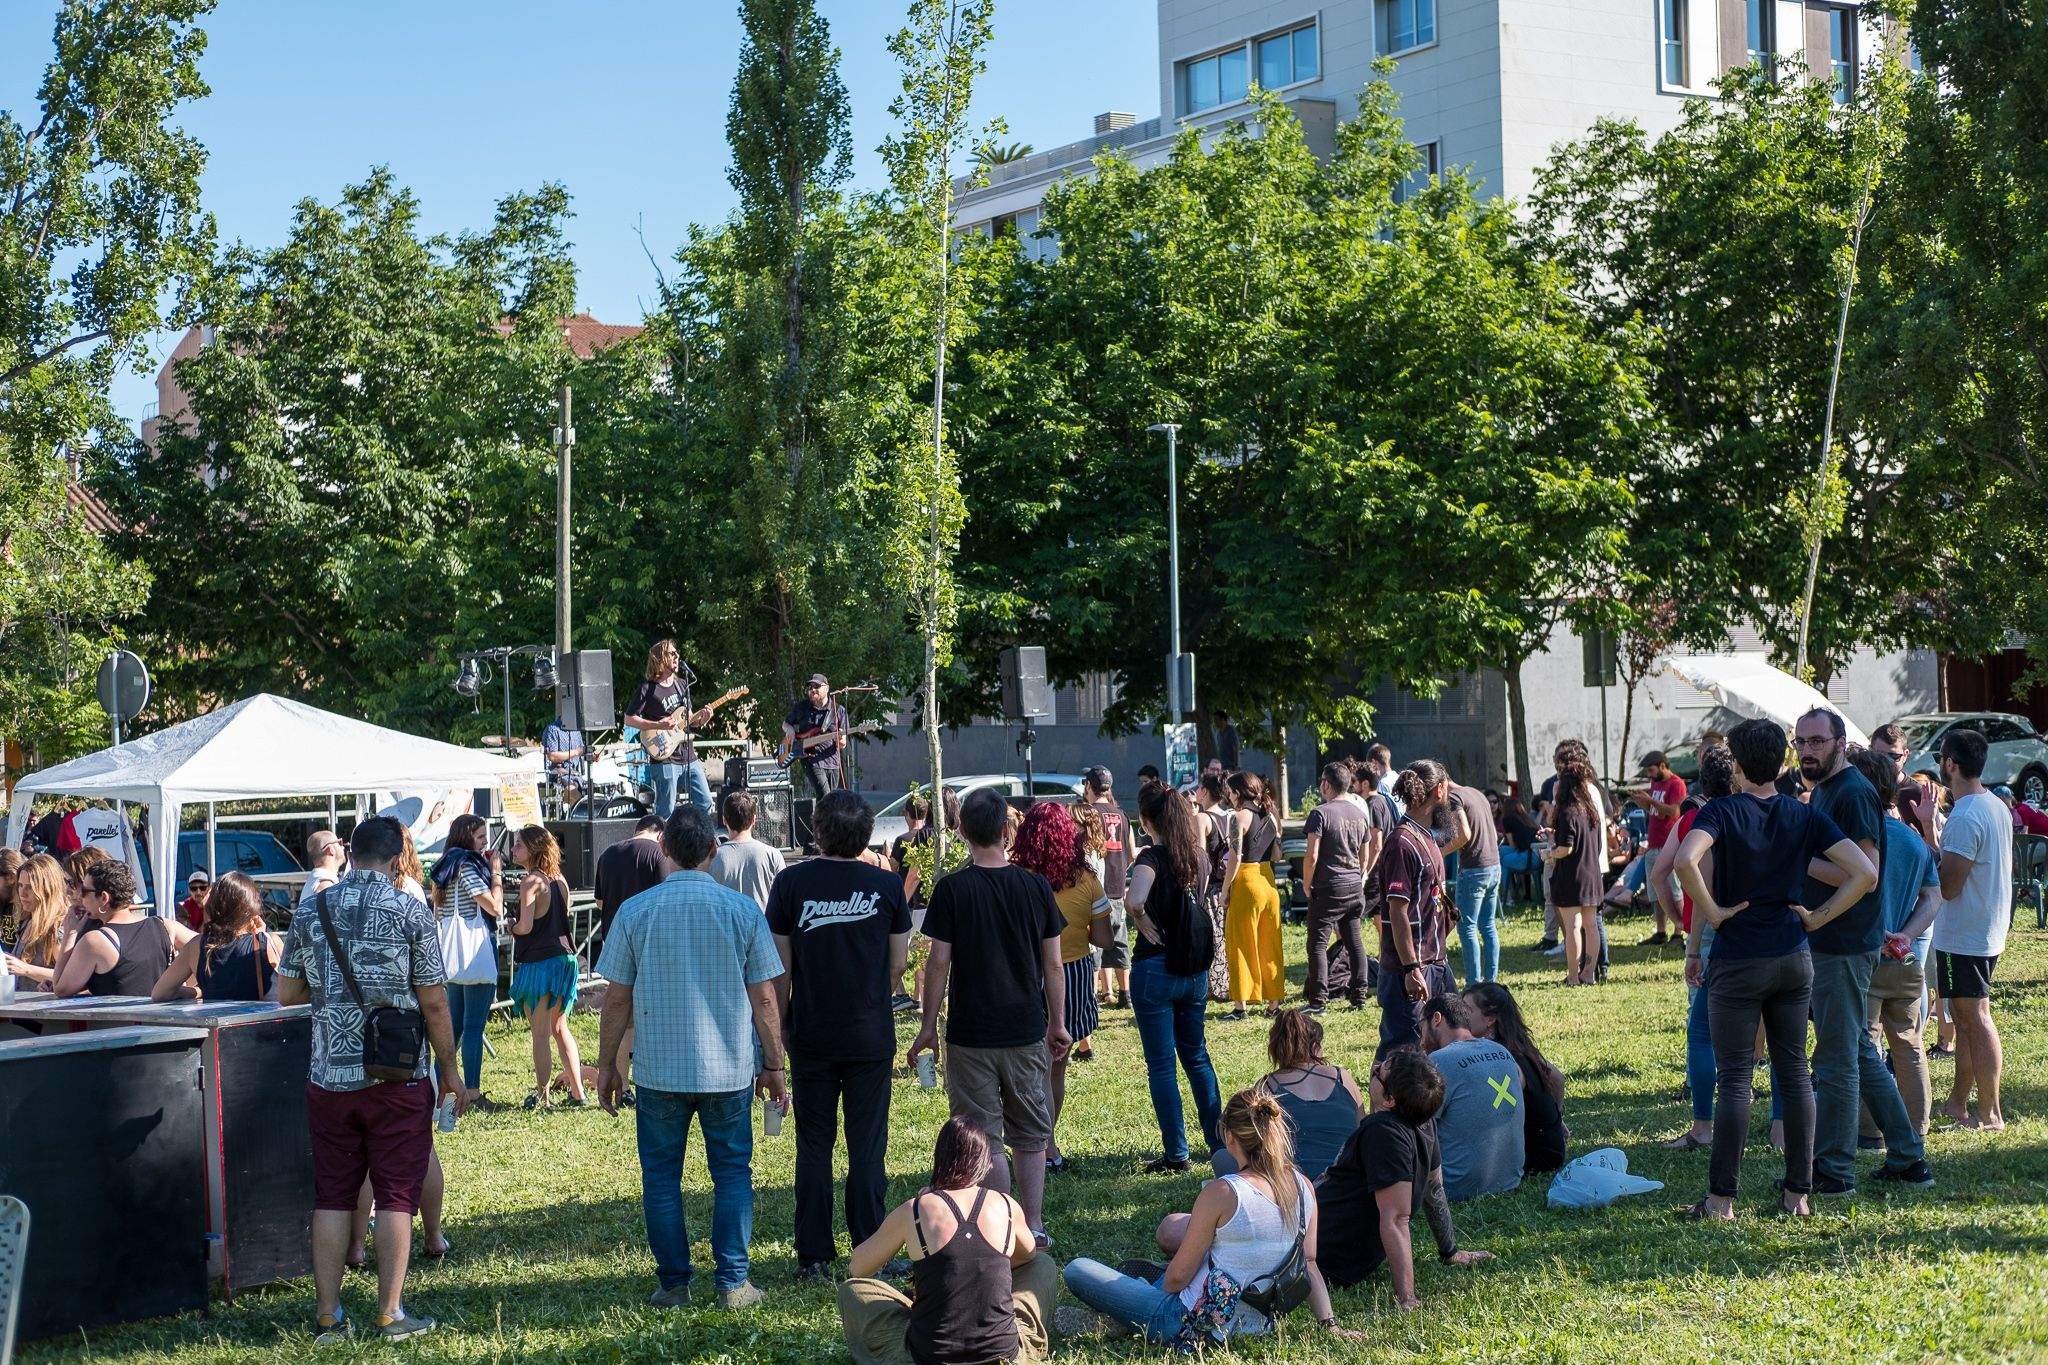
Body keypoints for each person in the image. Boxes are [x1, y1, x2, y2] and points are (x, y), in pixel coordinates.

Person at [1673, 716, 1877, 1220]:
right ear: (1782, 761)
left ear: (1737, 764)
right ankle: (1797, 1196)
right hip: (1793, 956)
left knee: (1737, 1077)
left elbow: (1683, 862)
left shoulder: (1720, 811)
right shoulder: (1801, 813)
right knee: (1795, 1073)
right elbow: (1866, 873)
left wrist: (1715, 913)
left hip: (1740, 957)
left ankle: (1721, 1200)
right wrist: (1819, 917)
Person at [275, 815, 464, 1343]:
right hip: (397, 1077)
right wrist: (449, 1071)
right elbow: (433, 998)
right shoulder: (410, 910)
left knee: (333, 1194)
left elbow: (286, 994)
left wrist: (333, 997)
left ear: (351, 853)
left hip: (329, 1075)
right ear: (398, 852)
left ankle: (329, 1316)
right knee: (397, 1194)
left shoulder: (312, 909)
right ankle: (390, 1313)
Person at [594, 805, 787, 1310]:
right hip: (728, 1069)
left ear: (663, 850)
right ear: (713, 849)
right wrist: (775, 1064)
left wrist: (609, 1062)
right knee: (732, 1173)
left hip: (659, 1069)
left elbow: (616, 997)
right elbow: (764, 998)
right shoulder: (742, 911)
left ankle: (674, 1284)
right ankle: (733, 1282)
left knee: (661, 1178)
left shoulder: (635, 911)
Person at [1061, 1088, 1351, 1347]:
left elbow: (1176, 1280)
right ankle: (1131, 1304)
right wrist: (1330, 1324)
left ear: (1229, 1135)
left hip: (1190, 1323)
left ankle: (1126, 1312)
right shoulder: (1304, 1186)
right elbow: (1309, 1263)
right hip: (1259, 1324)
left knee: (1076, 1269)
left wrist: (1145, 1298)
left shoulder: (1224, 1191)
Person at [907, 786, 1069, 1242]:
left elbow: (938, 964)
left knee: (984, 1133)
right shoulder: (1034, 885)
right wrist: (1057, 1022)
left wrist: (927, 1027)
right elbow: (1052, 963)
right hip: (1024, 1026)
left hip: (970, 1031)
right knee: (1031, 1132)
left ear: (961, 831)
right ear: (1006, 829)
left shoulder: (952, 889)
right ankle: (1033, 1225)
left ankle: (1002, 1226)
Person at [764, 790, 912, 1279]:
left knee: (814, 1144)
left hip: (811, 1031)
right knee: (868, 1145)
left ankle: (814, 1256)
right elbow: (898, 965)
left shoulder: (790, 884)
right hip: (870, 1031)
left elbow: (780, 969)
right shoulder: (887, 888)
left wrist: (782, 1020)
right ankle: (870, 1247)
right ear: (867, 835)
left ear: (817, 829)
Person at [1792, 707, 1922, 1196]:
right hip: (1830, 941)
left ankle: (1834, 1171)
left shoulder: (1853, 792)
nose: (1807, 750)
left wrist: (1799, 861)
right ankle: (1909, 1158)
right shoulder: (1825, 789)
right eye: (1801, 741)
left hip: (1845, 944)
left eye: (1818, 741)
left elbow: (1866, 873)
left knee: (1836, 1060)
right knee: (1859, 1052)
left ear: (1841, 742)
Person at [838, 1116, 1057, 1365]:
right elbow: (1028, 1256)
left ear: (939, 1158)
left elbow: (858, 1267)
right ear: (985, 1164)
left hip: (927, 1357)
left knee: (851, 1290)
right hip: (1004, 1356)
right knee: (1043, 1265)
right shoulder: (1006, 1205)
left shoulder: (917, 1209)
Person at [1654, 745, 1777, 1153]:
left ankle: (1705, 1127)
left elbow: (1678, 870)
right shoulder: (1783, 811)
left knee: (1703, 1031)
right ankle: (1780, 1129)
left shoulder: (1709, 816)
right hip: (1778, 934)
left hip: (1720, 932)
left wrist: (1690, 934)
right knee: (1780, 1038)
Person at [1314, 1047, 1491, 1300]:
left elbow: (1396, 1219)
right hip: (1325, 1241)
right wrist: (1450, 1251)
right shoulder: (1423, 1121)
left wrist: (1407, 1299)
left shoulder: (1384, 1133)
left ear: (1389, 1100)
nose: (1374, 1070)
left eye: (1379, 1072)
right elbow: (1434, 1188)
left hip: (1321, 1257)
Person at [1845, 746, 1940, 1172]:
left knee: (1865, 1045)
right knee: (1910, 1044)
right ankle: (1917, 1128)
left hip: (1865, 956)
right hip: (1904, 958)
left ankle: (1871, 1131)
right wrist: (1908, 933)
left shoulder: (1856, 839)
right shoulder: (1911, 839)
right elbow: (1933, 896)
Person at [1123, 780, 1224, 1175]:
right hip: (1193, 967)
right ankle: (1217, 1142)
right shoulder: (1198, 856)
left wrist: (1142, 919)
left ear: (1148, 821)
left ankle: (1176, 1151)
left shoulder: (1151, 857)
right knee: (1197, 1056)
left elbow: (1134, 899)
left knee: (1162, 1064)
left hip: (1156, 968)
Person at [1007, 802, 1109, 1176]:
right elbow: (1103, 938)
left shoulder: (1015, 877)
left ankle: (1035, 1142)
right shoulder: (1087, 878)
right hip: (1074, 974)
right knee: (1056, 1068)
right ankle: (1048, 1142)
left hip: (1026, 974)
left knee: (1030, 1064)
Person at [1930, 727, 2011, 1132]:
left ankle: (1990, 1113)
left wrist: (1928, 842)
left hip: (1965, 935)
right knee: (1965, 1019)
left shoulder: (1965, 815)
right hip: (1985, 930)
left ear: (1951, 764)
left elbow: (1949, 885)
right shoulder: (1993, 805)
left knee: (1975, 1017)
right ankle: (1958, 1104)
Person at [1368, 762, 1457, 1060]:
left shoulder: (1427, 837)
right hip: (1409, 969)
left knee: (1450, 1039)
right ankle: (1385, 1104)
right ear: (1439, 790)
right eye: (1448, 788)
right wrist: (1410, 968)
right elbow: (1397, 912)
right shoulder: (1401, 843)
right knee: (1401, 1051)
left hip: (1436, 962)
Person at [1213, 1009, 1361, 1181]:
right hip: (1350, 1184)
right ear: (1315, 1045)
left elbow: (1255, 1146)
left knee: (1222, 1158)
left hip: (1293, 1188)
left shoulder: (1267, 1087)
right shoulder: (1343, 1078)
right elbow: (1361, 1130)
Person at [508, 825, 586, 1109]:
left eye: (518, 844)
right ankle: (578, 1091)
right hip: (566, 959)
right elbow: (560, 917)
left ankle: (542, 1096)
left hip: (541, 963)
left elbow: (526, 926)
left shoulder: (531, 881)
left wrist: (511, 926)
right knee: (559, 1027)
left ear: (533, 849)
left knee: (540, 1033)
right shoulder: (560, 880)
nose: (513, 849)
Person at [1419, 993, 1524, 1200]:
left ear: (1436, 1019)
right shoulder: (1501, 1051)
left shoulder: (1439, 1060)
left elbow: (1418, 1126)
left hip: (1456, 1188)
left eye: (1420, 1026)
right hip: (1509, 1180)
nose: (1420, 1036)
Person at [430, 814, 503, 1111]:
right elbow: (493, 907)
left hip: (451, 958)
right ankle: (472, 1092)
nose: (485, 840)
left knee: (454, 1029)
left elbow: (438, 911)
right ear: (466, 836)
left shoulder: (445, 864)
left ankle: (440, 1092)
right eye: (480, 836)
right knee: (474, 1026)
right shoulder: (468, 865)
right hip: (474, 954)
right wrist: (496, 874)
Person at [1461, 981, 1567, 1173]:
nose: (1461, 1016)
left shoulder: (1496, 1056)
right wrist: (1557, 1122)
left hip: (1534, 1155)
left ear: (1490, 1019)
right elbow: (1558, 1078)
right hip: (1552, 1147)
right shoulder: (1518, 1045)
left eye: (1467, 1009)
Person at [53, 860, 193, 997]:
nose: (79, 896)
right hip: (165, 1019)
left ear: (103, 898)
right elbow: (206, 946)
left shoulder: (95, 941)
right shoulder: (165, 925)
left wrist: (70, 932)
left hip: (119, 1020)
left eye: (84, 891)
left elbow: (60, 988)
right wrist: (195, 989)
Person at [1301, 763, 1371, 1013]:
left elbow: (1312, 855)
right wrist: (1360, 875)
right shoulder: (1360, 814)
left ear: (1326, 784)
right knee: (1354, 942)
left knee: (1317, 944)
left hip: (1329, 886)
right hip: (1353, 886)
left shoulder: (1320, 813)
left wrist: (1307, 884)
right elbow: (1365, 855)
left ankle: (1318, 1001)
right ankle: (1359, 995)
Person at [152, 870, 280, 1002]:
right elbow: (290, 994)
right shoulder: (269, 942)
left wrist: (198, 991)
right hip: (258, 1022)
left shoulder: (196, 946)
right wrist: (261, 936)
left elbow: (160, 993)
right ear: (251, 907)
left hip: (214, 1022)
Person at [625, 639, 715, 819]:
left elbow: (689, 720)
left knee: (706, 802)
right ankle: (661, 846)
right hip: (664, 756)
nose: (677, 656)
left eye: (677, 652)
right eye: (672, 653)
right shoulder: (647, 688)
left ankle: (699, 843)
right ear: (660, 658)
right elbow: (629, 719)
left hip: (688, 755)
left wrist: (702, 719)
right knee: (666, 811)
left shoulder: (682, 684)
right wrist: (659, 725)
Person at [1223, 771, 1286, 1017]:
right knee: (1270, 944)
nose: (1227, 795)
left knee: (1240, 943)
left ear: (1238, 792)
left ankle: (1241, 1006)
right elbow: (1277, 855)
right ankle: (1274, 1004)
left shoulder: (1238, 817)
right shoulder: (1271, 815)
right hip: (1268, 882)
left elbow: (1235, 858)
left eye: (1230, 790)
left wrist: (1226, 889)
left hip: (1247, 882)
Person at [1543, 755, 1606, 988]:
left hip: (1572, 877)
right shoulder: (1591, 811)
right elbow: (1596, 844)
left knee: (1572, 928)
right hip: (1592, 873)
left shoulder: (1567, 811)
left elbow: (1566, 848)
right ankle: (1589, 973)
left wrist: (1549, 854)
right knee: (1591, 926)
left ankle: (1572, 977)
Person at [1082, 766, 1136, 1010]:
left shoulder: (1088, 814)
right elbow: (1132, 852)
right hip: (1117, 887)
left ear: (1088, 786)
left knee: (1094, 945)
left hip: (1095, 889)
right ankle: (1125, 993)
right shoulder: (1122, 815)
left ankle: (1092, 996)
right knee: (1120, 941)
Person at [1442, 779, 1502, 986]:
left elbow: (1464, 834)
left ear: (1442, 784)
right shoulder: (1477, 792)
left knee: (1467, 927)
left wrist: (1438, 852)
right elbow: (1493, 834)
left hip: (1474, 870)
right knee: (1488, 925)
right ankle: (1491, 980)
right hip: (1494, 866)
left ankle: (1474, 983)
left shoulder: (1453, 798)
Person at [1627, 752, 1688, 943]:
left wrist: (1651, 800)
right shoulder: (1656, 784)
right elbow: (1657, 812)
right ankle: (1661, 931)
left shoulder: (1676, 784)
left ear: (1662, 765)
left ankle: (1679, 931)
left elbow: (1674, 811)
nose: (1650, 774)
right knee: (1655, 891)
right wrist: (1643, 802)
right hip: (1653, 843)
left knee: (1673, 889)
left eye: (1651, 770)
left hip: (1669, 844)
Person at [1194, 774, 1237, 1001]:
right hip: (1229, 883)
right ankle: (1232, 981)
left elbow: (1200, 855)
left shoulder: (1202, 818)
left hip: (1210, 886)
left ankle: (1216, 985)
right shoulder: (1231, 816)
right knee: (1228, 934)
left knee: (1212, 937)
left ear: (1204, 791)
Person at [4, 853, 73, 991]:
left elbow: (70, 978)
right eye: (20, 885)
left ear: (47, 889)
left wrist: (25, 969)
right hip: (20, 1008)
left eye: (30, 887)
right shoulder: (28, 920)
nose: (22, 893)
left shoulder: (57, 926)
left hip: (44, 1009)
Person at [710, 791, 786, 912]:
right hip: (763, 928)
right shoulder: (773, 855)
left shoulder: (712, 858)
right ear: (754, 820)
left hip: (725, 929)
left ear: (724, 820)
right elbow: (784, 900)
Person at [781, 673, 847, 802]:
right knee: (825, 796)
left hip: (832, 761)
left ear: (827, 688)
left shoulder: (839, 710)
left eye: (816, 686)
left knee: (831, 801)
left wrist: (839, 739)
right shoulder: (802, 707)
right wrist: (790, 731)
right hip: (811, 759)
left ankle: (820, 821)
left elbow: (843, 744)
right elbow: (786, 723)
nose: (812, 690)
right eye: (810, 687)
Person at [541, 716, 587, 810]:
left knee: (592, 793)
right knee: (573, 793)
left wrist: (592, 756)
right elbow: (552, 756)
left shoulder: (576, 731)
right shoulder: (553, 729)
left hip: (576, 775)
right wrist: (575, 752)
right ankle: (578, 816)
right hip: (559, 776)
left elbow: (581, 752)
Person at [300, 829, 348, 908]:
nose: (343, 846)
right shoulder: (326, 885)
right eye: (339, 843)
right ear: (330, 850)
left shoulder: (316, 878)